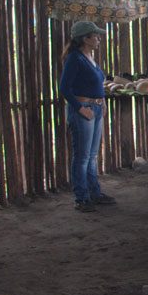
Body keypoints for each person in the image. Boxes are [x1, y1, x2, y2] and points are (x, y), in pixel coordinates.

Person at [58, 20, 116, 213]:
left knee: (92, 156)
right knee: (82, 157)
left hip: (96, 109)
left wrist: (102, 102)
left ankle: (95, 193)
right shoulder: (75, 58)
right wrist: (80, 109)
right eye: (95, 35)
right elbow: (64, 88)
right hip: (83, 109)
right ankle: (81, 198)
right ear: (85, 38)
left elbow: (97, 84)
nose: (98, 38)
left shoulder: (89, 57)